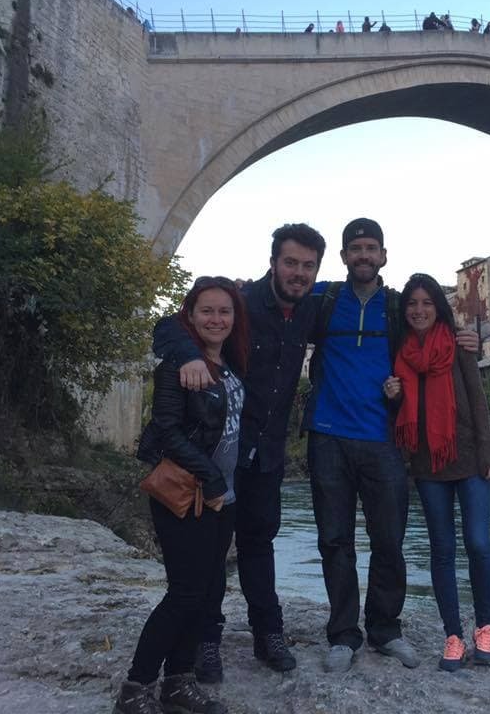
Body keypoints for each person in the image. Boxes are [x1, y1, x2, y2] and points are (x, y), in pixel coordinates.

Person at [303, 219, 479, 674]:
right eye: (355, 248)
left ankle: (385, 629)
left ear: (383, 256)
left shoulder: (397, 307)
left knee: (389, 542)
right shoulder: (321, 299)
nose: (363, 255)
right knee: (334, 540)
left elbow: (433, 332)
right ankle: (343, 635)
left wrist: (468, 339)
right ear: (344, 257)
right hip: (328, 436)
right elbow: (270, 315)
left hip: (383, 440)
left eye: (371, 248)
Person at [152, 224, 326, 681]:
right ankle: (207, 642)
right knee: (212, 554)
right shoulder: (242, 302)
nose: (298, 273)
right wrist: (190, 355)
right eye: (290, 262)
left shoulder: (314, 308)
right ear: (273, 263)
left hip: (267, 456)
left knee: (259, 545)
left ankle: (268, 634)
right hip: (222, 452)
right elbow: (169, 325)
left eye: (308, 266)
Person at [113, 277, 249, 714]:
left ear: (234, 318)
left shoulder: (228, 365)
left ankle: (178, 682)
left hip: (221, 497)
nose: (216, 319)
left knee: (208, 592)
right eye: (206, 311)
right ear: (189, 316)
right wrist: (210, 476)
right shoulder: (179, 364)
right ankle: (135, 688)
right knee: (185, 592)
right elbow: (168, 430)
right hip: (187, 493)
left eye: (224, 311)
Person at [383, 274, 490, 673]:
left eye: (426, 303)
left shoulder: (459, 345)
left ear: (438, 307)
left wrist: (489, 451)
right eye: (412, 304)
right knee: (442, 550)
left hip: (468, 458)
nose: (418, 310)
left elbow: (478, 402)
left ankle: (485, 626)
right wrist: (393, 396)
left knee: (478, 544)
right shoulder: (400, 355)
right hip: (428, 464)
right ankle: (453, 635)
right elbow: (403, 416)